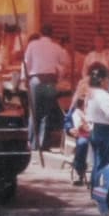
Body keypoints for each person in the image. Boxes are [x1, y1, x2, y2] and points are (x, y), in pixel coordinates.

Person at [22, 24, 71, 152]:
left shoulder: (33, 45)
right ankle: (43, 145)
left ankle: (32, 143)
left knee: (34, 113)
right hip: (50, 81)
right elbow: (66, 62)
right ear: (52, 34)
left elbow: (26, 62)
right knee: (46, 114)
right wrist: (59, 72)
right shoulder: (56, 47)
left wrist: (24, 79)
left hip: (36, 81)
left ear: (41, 33)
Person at [84, 64, 109, 190]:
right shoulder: (103, 95)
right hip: (104, 129)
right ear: (102, 80)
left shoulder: (91, 94)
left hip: (93, 127)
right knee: (104, 162)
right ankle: (100, 189)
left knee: (97, 161)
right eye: (107, 79)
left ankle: (94, 186)